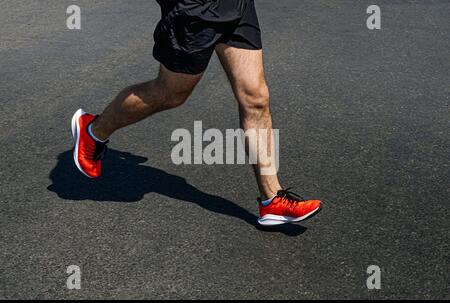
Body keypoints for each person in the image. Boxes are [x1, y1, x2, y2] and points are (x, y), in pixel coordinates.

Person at [70, 0, 321, 226]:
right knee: (171, 92)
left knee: (256, 97)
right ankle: (94, 130)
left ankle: (272, 198)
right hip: (195, 6)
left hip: (236, 4)